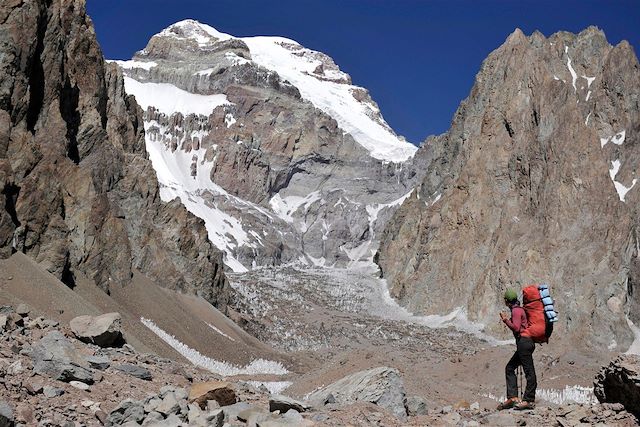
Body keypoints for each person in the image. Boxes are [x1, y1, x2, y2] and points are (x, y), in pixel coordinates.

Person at [497, 288, 537, 410]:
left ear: (507, 301)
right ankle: (513, 397)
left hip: (524, 343)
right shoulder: (520, 310)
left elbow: (516, 328)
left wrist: (505, 320)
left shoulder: (516, 311)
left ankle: (528, 400)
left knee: (529, 372)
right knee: (510, 368)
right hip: (525, 343)